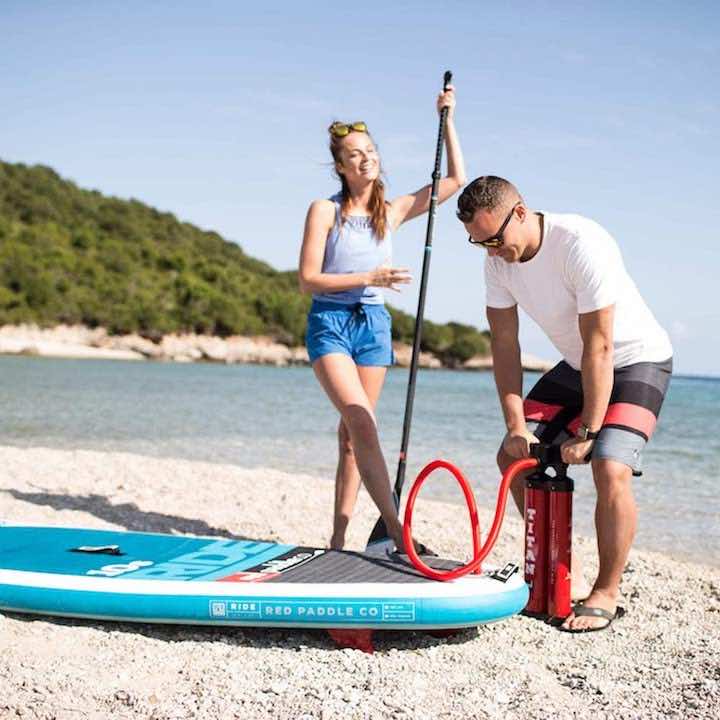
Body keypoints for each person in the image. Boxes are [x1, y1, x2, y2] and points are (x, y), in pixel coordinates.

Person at [456, 176, 672, 632]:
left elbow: (601, 346)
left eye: (495, 239)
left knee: (609, 466)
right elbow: (504, 345)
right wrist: (517, 425)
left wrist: (589, 433)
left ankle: (607, 591)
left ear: (520, 211)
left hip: (636, 359)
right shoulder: (497, 262)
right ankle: (552, 569)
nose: (492, 251)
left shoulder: (579, 242)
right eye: (479, 244)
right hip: (577, 365)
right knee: (512, 457)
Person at [299, 88, 466, 552]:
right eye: (355, 154)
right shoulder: (324, 211)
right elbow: (308, 279)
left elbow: (455, 179)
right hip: (331, 322)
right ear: (341, 166)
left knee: (352, 439)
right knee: (361, 421)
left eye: (370, 151)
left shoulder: (391, 213)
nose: (366, 159)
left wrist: (446, 119)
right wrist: (368, 275)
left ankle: (337, 539)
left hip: (373, 325)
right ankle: (397, 529)